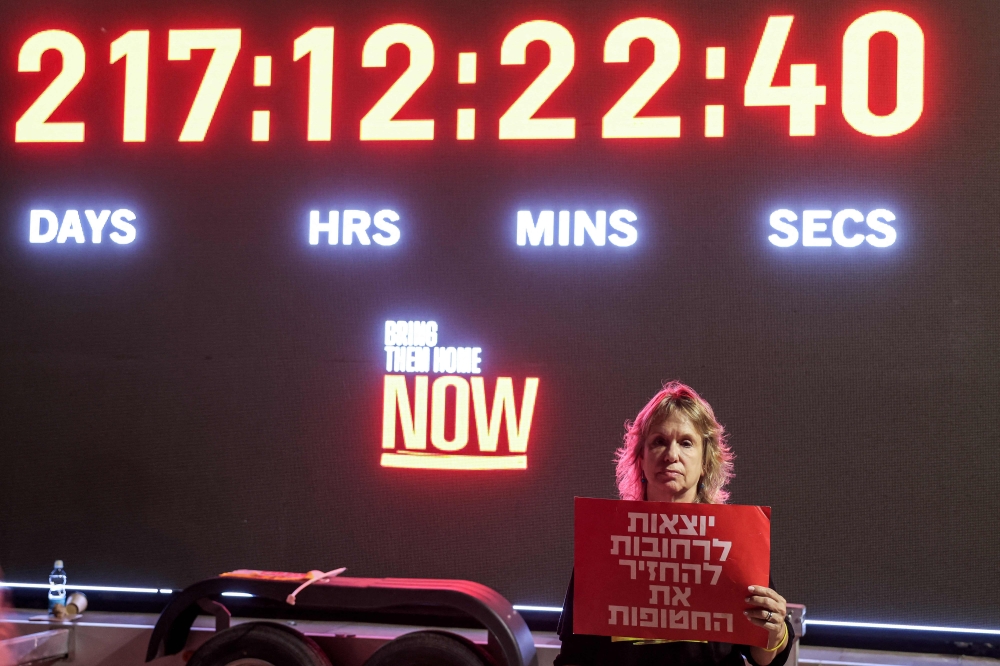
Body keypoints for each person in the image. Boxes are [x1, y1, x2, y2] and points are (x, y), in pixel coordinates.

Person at [554, 382, 794, 666]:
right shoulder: (606, 539)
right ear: (641, 458)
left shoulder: (732, 539)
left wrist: (774, 631)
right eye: (658, 441)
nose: (671, 455)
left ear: (706, 460)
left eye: (686, 442)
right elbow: (574, 654)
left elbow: (761, 658)